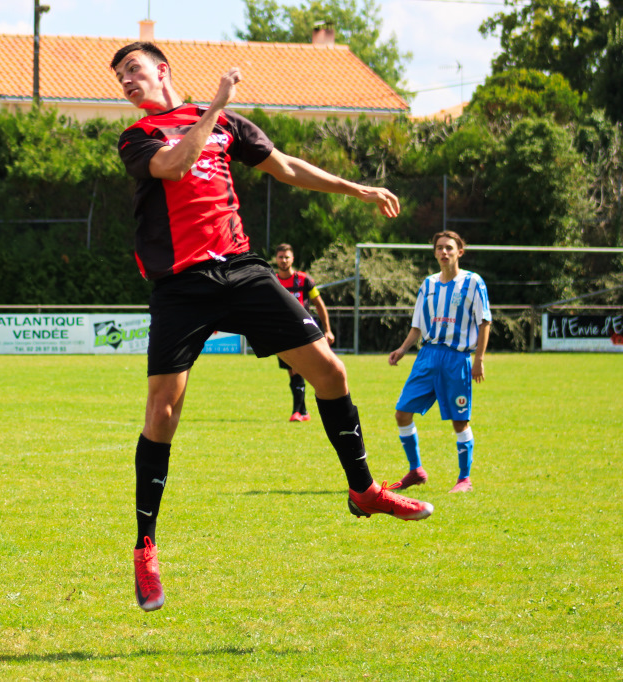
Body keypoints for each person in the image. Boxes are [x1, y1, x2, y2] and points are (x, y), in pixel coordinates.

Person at [110, 42, 433, 613]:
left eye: (134, 69)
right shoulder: (138, 138)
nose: (127, 81)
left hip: (241, 271)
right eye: (119, 77)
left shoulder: (229, 124)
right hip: (181, 285)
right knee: (163, 411)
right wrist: (213, 107)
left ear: (162, 70)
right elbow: (173, 166)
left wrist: (356, 189)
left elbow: (284, 167)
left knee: (329, 373)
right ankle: (145, 549)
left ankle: (363, 490)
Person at [388, 231, 491, 494]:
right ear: (435, 253)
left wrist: (479, 359)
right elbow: (417, 326)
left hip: (456, 360)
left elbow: (484, 321)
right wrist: (401, 349)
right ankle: (416, 470)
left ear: (460, 252)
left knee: (459, 421)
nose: (444, 252)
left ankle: (464, 479)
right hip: (427, 357)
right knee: (402, 413)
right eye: (439, 248)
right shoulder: (428, 284)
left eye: (449, 248)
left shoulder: (473, 282)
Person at [274, 243, 335, 422]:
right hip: (282, 332)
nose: (284, 260)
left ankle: (297, 412)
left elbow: (319, 304)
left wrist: (328, 330)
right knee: (293, 371)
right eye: (280, 257)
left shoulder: (304, 280)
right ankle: (304, 411)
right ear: (276, 259)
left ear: (292, 259)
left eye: (287, 257)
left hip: (302, 331)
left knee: (296, 369)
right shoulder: (272, 281)